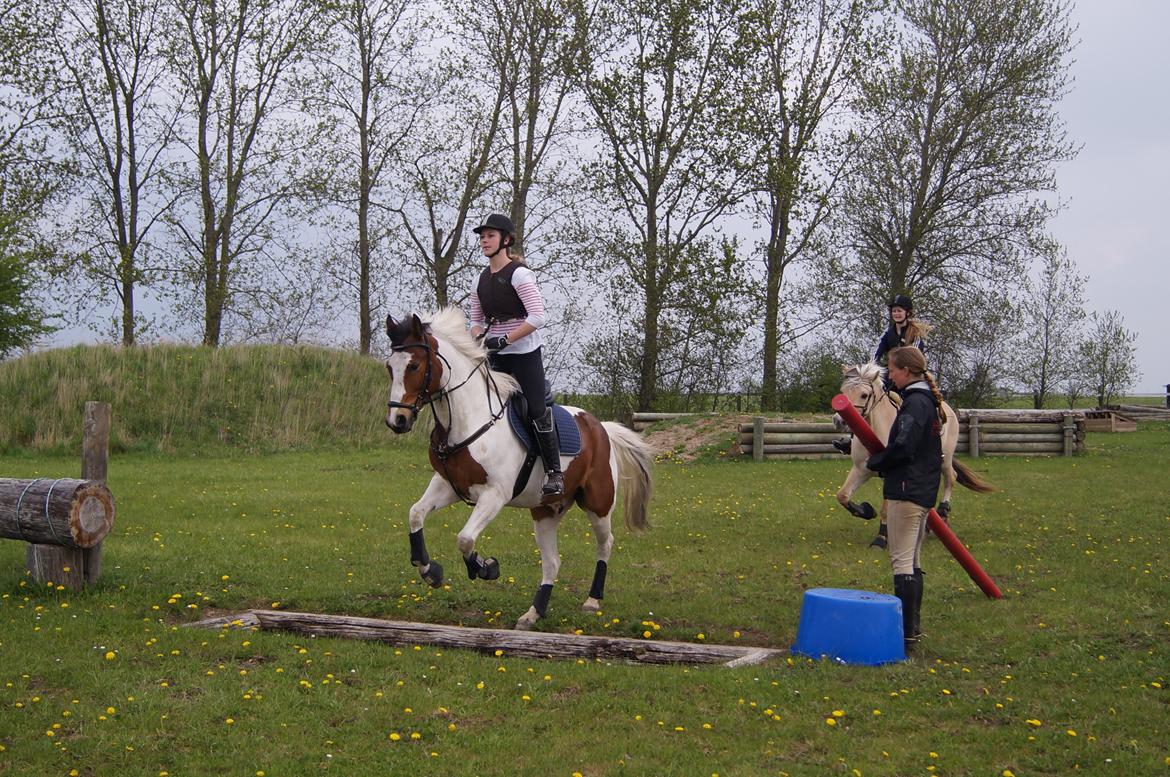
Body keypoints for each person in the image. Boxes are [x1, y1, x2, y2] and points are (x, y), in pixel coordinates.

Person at [467, 213, 563, 498]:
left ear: (505, 240)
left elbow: (537, 317)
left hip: (524, 353)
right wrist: (478, 338)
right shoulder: (479, 281)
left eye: (490, 235)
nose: (484, 240)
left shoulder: (520, 274)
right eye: (482, 236)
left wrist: (506, 338)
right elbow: (475, 320)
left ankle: (554, 472)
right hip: (495, 354)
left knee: (535, 408)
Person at [833, 293, 932, 550]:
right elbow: (876, 356)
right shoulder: (887, 334)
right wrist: (872, 376)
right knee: (868, 404)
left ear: (908, 313)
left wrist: (900, 378)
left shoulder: (914, 335)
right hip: (887, 377)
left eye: (900, 310)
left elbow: (915, 359)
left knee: (908, 405)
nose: (896, 313)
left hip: (910, 376)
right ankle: (854, 440)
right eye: (894, 310)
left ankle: (926, 437)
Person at [862, 346, 945, 651]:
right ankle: (913, 630)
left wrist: (875, 464)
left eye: (893, 369)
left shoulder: (914, 405)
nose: (890, 375)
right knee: (913, 560)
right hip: (922, 490)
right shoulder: (926, 402)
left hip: (906, 491)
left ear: (907, 372)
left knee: (901, 562)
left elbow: (903, 448)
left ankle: (905, 635)